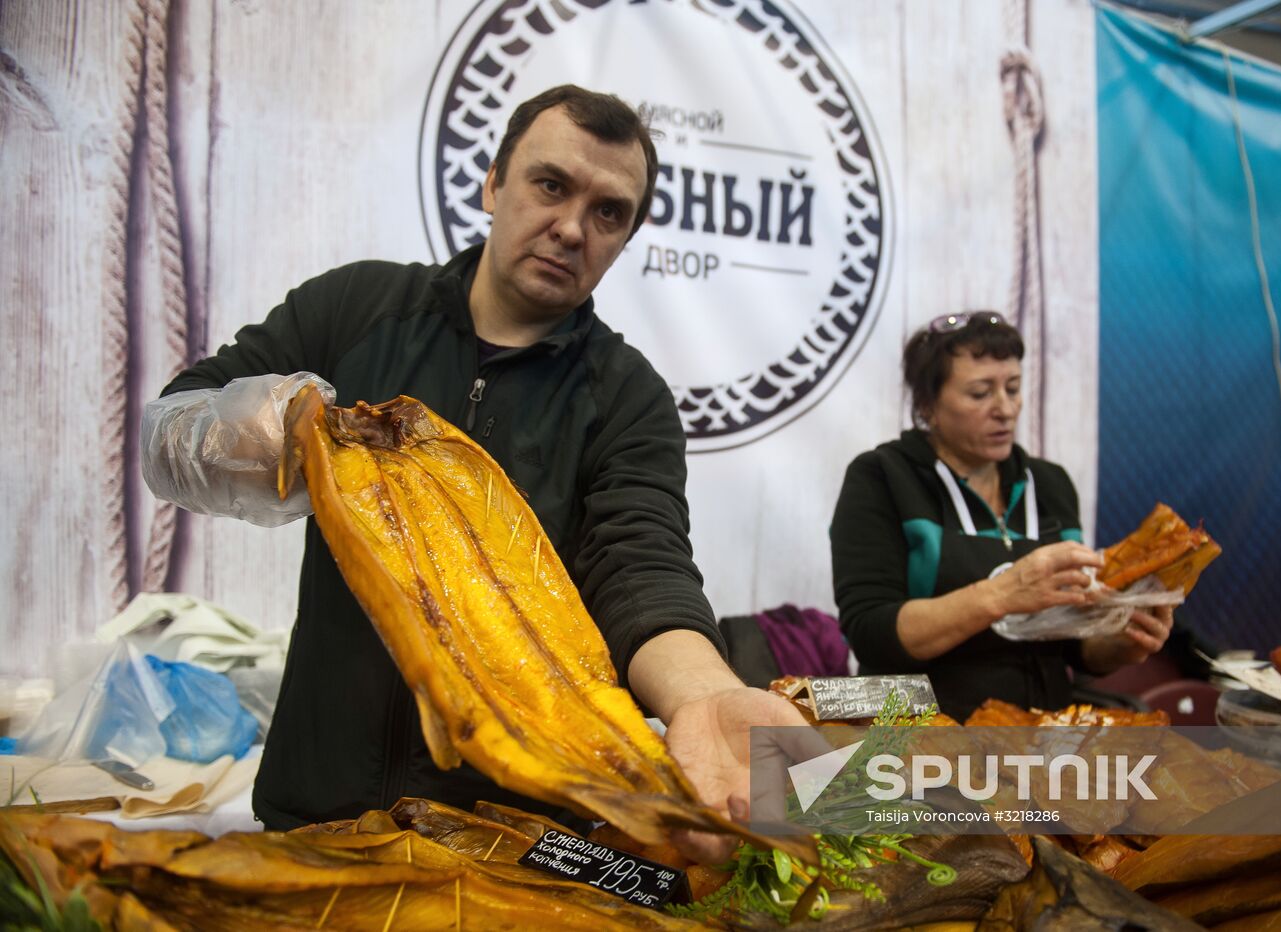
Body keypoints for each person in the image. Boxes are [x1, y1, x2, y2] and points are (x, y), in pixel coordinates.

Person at [142, 85, 805, 854]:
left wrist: (708, 693)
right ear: (494, 182)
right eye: (550, 185)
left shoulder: (626, 397)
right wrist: (277, 426)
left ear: (628, 236)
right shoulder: (357, 309)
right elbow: (174, 422)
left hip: (510, 838)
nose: (569, 228)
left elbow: (640, 564)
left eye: (608, 212)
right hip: (313, 815)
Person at [828, 312, 1172, 722]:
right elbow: (871, 633)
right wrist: (1000, 595)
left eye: (1013, 388)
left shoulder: (1049, 484)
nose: (1005, 409)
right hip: (920, 729)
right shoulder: (883, 477)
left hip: (1041, 727)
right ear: (927, 405)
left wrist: (1118, 644)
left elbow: (1072, 645)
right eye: (980, 393)